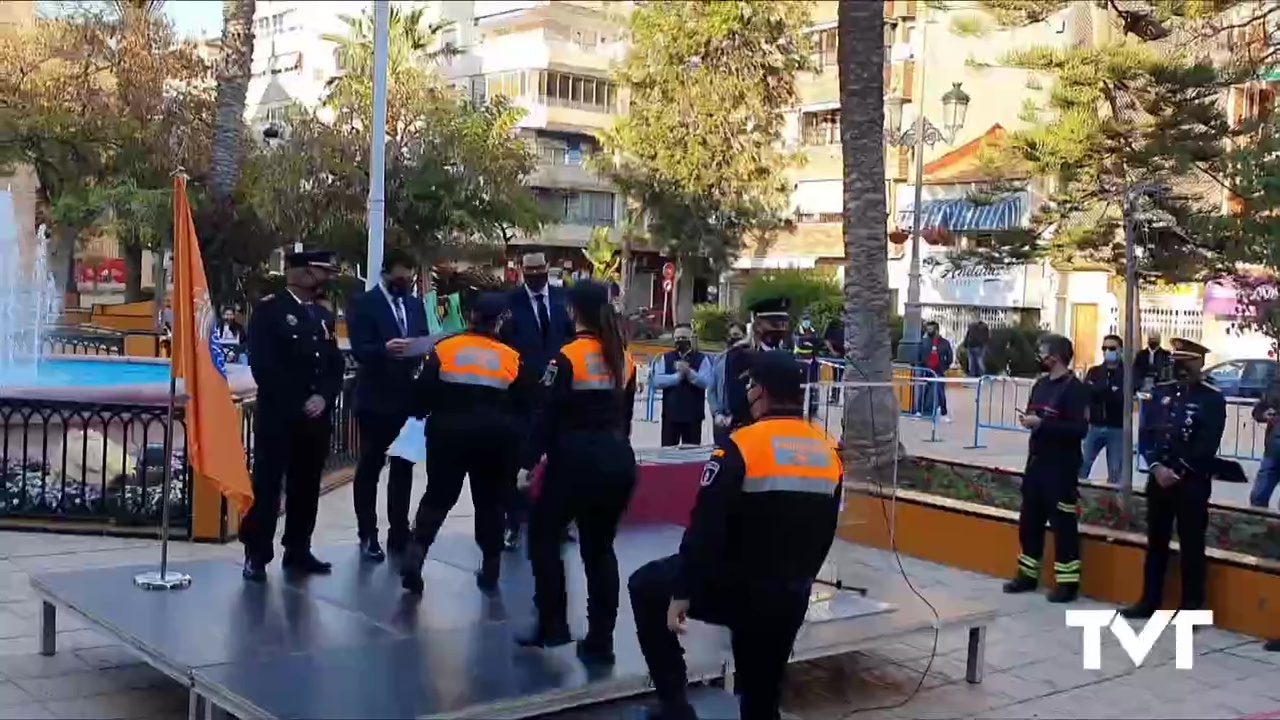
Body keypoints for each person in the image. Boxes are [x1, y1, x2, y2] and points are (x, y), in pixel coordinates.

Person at [628, 350, 841, 720]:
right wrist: (800, 585)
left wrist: (682, 592)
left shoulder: (740, 445)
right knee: (762, 696)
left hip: (733, 586)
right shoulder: (829, 453)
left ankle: (674, 706)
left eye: (750, 387)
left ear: (760, 392)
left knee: (644, 586)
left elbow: (706, 527)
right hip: (789, 593)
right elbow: (825, 533)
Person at [516, 280, 637, 665]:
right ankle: (601, 639)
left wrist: (527, 463)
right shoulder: (624, 358)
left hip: (573, 461)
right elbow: (626, 418)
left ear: (574, 312)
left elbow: (545, 416)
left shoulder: (566, 358)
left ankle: (553, 625)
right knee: (600, 549)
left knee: (543, 537)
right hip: (617, 461)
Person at [400, 293, 537, 594]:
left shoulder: (445, 348)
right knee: (489, 503)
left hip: (447, 435)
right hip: (495, 441)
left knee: (437, 497)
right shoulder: (511, 356)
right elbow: (525, 402)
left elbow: (421, 393)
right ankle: (490, 568)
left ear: (471, 316)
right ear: (499, 322)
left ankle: (415, 555)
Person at [241, 250, 347, 582]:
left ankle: (298, 549)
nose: (326, 278)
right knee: (269, 487)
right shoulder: (270, 311)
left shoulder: (322, 316)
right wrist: (299, 400)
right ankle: (256, 555)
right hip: (279, 417)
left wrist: (323, 397)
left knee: (306, 486)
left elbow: (334, 364)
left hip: (314, 419)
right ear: (299, 272)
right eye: (320, 271)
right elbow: (263, 366)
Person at [1121, 338, 1226, 620]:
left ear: (1200, 363)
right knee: (1156, 542)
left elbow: (1207, 444)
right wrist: (1155, 467)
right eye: (1178, 362)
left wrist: (1177, 471)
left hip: (1191, 483)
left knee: (1192, 546)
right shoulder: (1160, 392)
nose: (1182, 369)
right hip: (1158, 481)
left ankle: (1191, 608)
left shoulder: (1212, 399)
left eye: (1188, 363)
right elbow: (1146, 434)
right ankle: (1148, 600)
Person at [347, 249, 431, 561]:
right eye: (400, 277)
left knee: (403, 467)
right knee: (370, 467)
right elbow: (359, 348)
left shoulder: (414, 303)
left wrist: (423, 348)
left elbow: (422, 336)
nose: (406, 281)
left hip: (407, 400)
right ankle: (367, 532)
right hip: (375, 399)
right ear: (385, 273)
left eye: (410, 277)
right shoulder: (364, 304)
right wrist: (384, 349)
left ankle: (399, 531)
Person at [1003, 334, 1089, 603]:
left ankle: (1067, 583)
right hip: (1036, 465)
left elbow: (1079, 430)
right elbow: (1035, 415)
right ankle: (1027, 576)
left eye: (1044, 352)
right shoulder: (1040, 385)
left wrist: (1042, 424)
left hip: (1061, 469)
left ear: (1058, 356)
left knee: (1063, 526)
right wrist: (1031, 421)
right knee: (1029, 523)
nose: (1040, 356)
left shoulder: (1075, 389)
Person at [499, 252, 575, 550]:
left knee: (561, 460)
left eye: (538, 270)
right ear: (522, 272)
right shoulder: (511, 303)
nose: (534, 275)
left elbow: (572, 340)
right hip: (521, 393)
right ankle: (513, 524)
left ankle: (558, 523)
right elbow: (504, 345)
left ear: (546, 270)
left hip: (559, 394)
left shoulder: (562, 300)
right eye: (528, 271)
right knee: (517, 462)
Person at [653, 323, 713, 446]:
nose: (680, 341)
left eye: (684, 337)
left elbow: (707, 382)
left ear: (690, 339)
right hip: (671, 415)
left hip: (693, 415)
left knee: (691, 453)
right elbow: (657, 381)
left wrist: (689, 373)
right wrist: (677, 377)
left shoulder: (701, 358)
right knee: (668, 453)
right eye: (678, 338)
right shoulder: (666, 357)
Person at [1079, 334, 1126, 485]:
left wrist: (1103, 392)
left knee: (1115, 471)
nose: (1107, 351)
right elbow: (1085, 395)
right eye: (1104, 348)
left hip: (1117, 428)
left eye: (1112, 348)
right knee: (1082, 466)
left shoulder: (1127, 374)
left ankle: (1111, 504)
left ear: (1120, 350)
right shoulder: (1094, 372)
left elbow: (1122, 398)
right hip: (1094, 426)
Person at [709, 321, 749, 446]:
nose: (733, 338)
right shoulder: (719, 358)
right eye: (731, 335)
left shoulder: (749, 357)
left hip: (740, 419)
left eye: (737, 335)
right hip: (721, 419)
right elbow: (712, 389)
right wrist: (716, 413)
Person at [1249, 372, 1280, 509]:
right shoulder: (1275, 383)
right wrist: (1263, 413)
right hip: (1273, 449)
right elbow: (1259, 408)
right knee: (1258, 498)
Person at [916, 321, 953, 422]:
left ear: (936, 329)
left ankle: (943, 413)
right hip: (926, 369)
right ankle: (919, 411)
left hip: (939, 369)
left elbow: (949, 357)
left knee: (940, 391)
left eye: (930, 329)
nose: (928, 331)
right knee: (923, 390)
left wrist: (945, 367)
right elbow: (920, 355)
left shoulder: (944, 343)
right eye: (927, 329)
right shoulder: (924, 342)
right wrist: (922, 364)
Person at [793, 313, 822, 419]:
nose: (806, 322)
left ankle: (812, 409)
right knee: (801, 387)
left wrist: (808, 342)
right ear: (802, 321)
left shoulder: (814, 331)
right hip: (800, 360)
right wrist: (808, 342)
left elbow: (817, 344)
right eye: (805, 320)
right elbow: (800, 343)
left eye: (808, 320)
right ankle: (798, 409)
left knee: (813, 386)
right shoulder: (797, 331)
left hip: (812, 362)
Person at [822, 316, 845, 405]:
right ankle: (834, 397)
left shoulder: (850, 325)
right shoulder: (833, 325)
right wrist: (832, 351)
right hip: (836, 355)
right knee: (837, 377)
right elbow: (826, 340)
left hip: (847, 354)